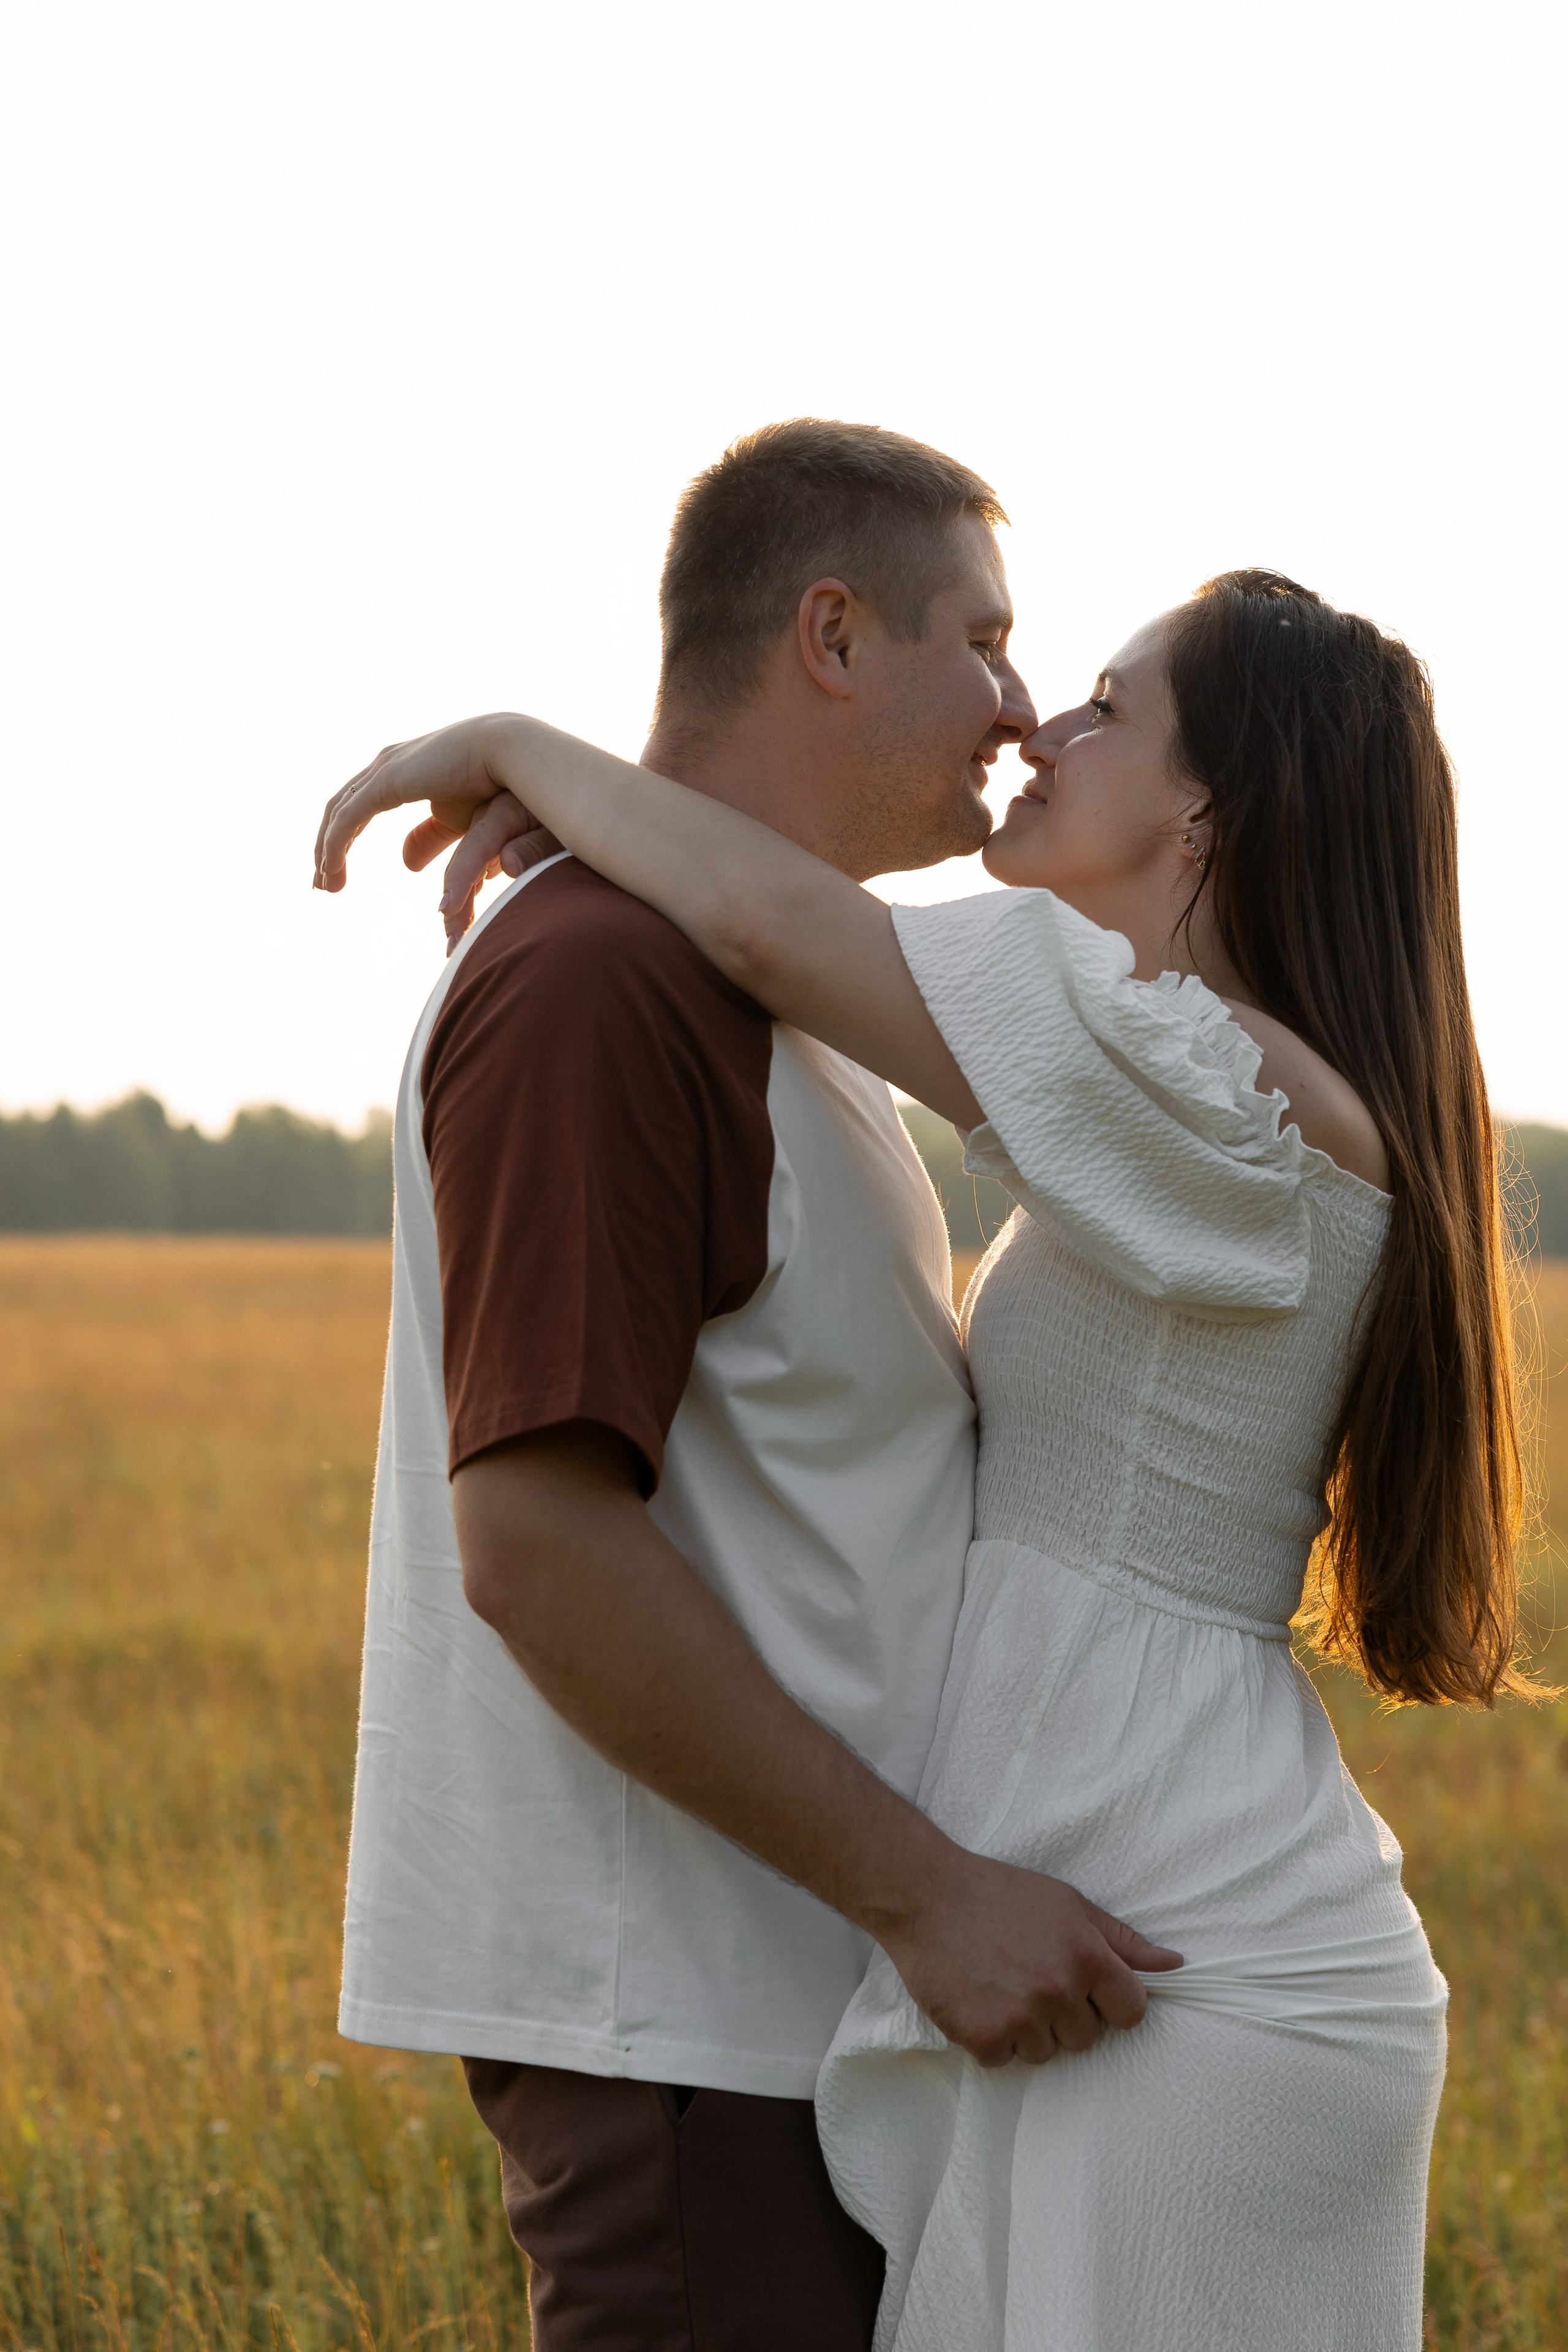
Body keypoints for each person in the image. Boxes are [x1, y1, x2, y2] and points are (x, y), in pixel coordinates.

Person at [317, 566, 1530, 2349]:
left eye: (1107, 706)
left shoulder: (1227, 1086)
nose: (1042, 723)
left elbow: (762, 924)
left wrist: (509, 740)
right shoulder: (1208, 1087)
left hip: (1181, 1953)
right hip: (1152, 1903)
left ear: (1210, 807)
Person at [316, 419, 1183, 2352]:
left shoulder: (772, 1000)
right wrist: (929, 1897)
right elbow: (537, 1545)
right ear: (832, 633)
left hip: (806, 2021)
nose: (1019, 706)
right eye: (984, 636)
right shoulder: (603, 984)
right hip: (692, 2038)